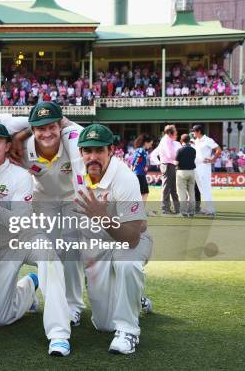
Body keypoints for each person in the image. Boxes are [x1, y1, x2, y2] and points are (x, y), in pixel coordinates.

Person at [0, 121, 72, 356]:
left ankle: (59, 335)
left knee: (49, 257)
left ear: (6, 146)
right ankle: (29, 285)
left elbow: (20, 222)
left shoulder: (20, 176)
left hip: (26, 238)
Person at [74, 124, 152, 355]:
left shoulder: (125, 178)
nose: (93, 156)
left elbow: (131, 237)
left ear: (111, 151)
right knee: (104, 325)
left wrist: (103, 217)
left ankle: (129, 331)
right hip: (98, 243)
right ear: (80, 152)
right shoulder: (75, 171)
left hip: (131, 238)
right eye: (88, 150)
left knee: (127, 263)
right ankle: (135, 297)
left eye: (99, 150)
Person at [17, 101, 86, 330]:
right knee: (50, 251)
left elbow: (82, 144)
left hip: (71, 199)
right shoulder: (25, 148)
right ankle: (45, 297)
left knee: (72, 249)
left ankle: (74, 305)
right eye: (40, 129)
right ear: (33, 130)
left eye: (51, 127)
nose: (47, 133)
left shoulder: (72, 139)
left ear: (60, 125)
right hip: (44, 200)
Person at [192, 125, 221, 216]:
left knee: (206, 187)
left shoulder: (208, 140)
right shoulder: (195, 141)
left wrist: (212, 160)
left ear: (199, 131)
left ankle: (211, 209)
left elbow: (218, 149)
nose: (193, 133)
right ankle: (208, 208)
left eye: (194, 131)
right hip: (196, 167)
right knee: (201, 189)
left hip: (204, 167)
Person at [155, 125, 180, 214]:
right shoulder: (167, 140)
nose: (176, 132)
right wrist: (179, 155)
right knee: (167, 188)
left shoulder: (167, 140)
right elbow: (170, 154)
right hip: (168, 165)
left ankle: (176, 208)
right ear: (170, 132)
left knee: (172, 188)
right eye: (175, 130)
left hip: (169, 165)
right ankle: (165, 208)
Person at [175, 134, 197, 217]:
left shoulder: (179, 150)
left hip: (182, 172)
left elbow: (176, 162)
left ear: (181, 140)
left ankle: (183, 212)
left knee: (181, 193)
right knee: (192, 192)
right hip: (191, 172)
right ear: (189, 140)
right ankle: (191, 211)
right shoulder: (193, 150)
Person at [131, 134, 154, 202]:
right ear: (146, 143)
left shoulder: (143, 151)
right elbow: (135, 159)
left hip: (141, 174)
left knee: (145, 193)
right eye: (150, 143)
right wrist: (132, 169)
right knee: (142, 193)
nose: (151, 146)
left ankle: (140, 210)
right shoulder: (140, 150)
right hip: (138, 175)